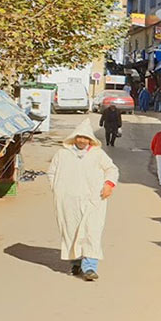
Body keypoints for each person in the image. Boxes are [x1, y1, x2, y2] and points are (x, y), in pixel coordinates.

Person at [47, 120, 119, 281]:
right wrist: (58, 190)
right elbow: (52, 173)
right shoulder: (62, 154)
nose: (82, 141)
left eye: (85, 138)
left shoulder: (98, 154)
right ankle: (76, 263)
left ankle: (90, 267)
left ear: (90, 140)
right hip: (68, 201)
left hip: (93, 200)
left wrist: (108, 185)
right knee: (72, 230)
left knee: (91, 231)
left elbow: (111, 169)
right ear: (75, 138)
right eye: (79, 137)